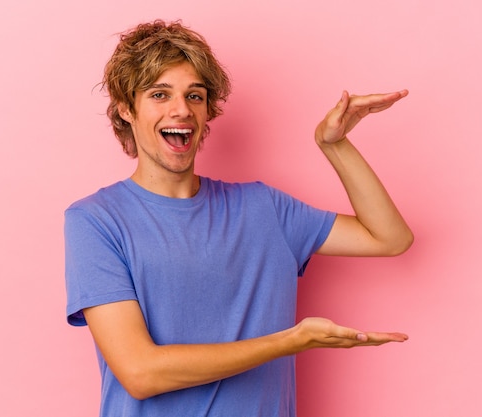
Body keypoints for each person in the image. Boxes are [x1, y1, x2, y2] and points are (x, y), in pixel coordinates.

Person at [64, 19, 413, 417]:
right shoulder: (95, 221)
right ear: (126, 110)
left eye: (194, 95)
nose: (181, 110)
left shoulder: (264, 209)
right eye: (160, 94)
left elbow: (389, 238)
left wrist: (335, 146)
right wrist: (291, 341)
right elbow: (141, 373)